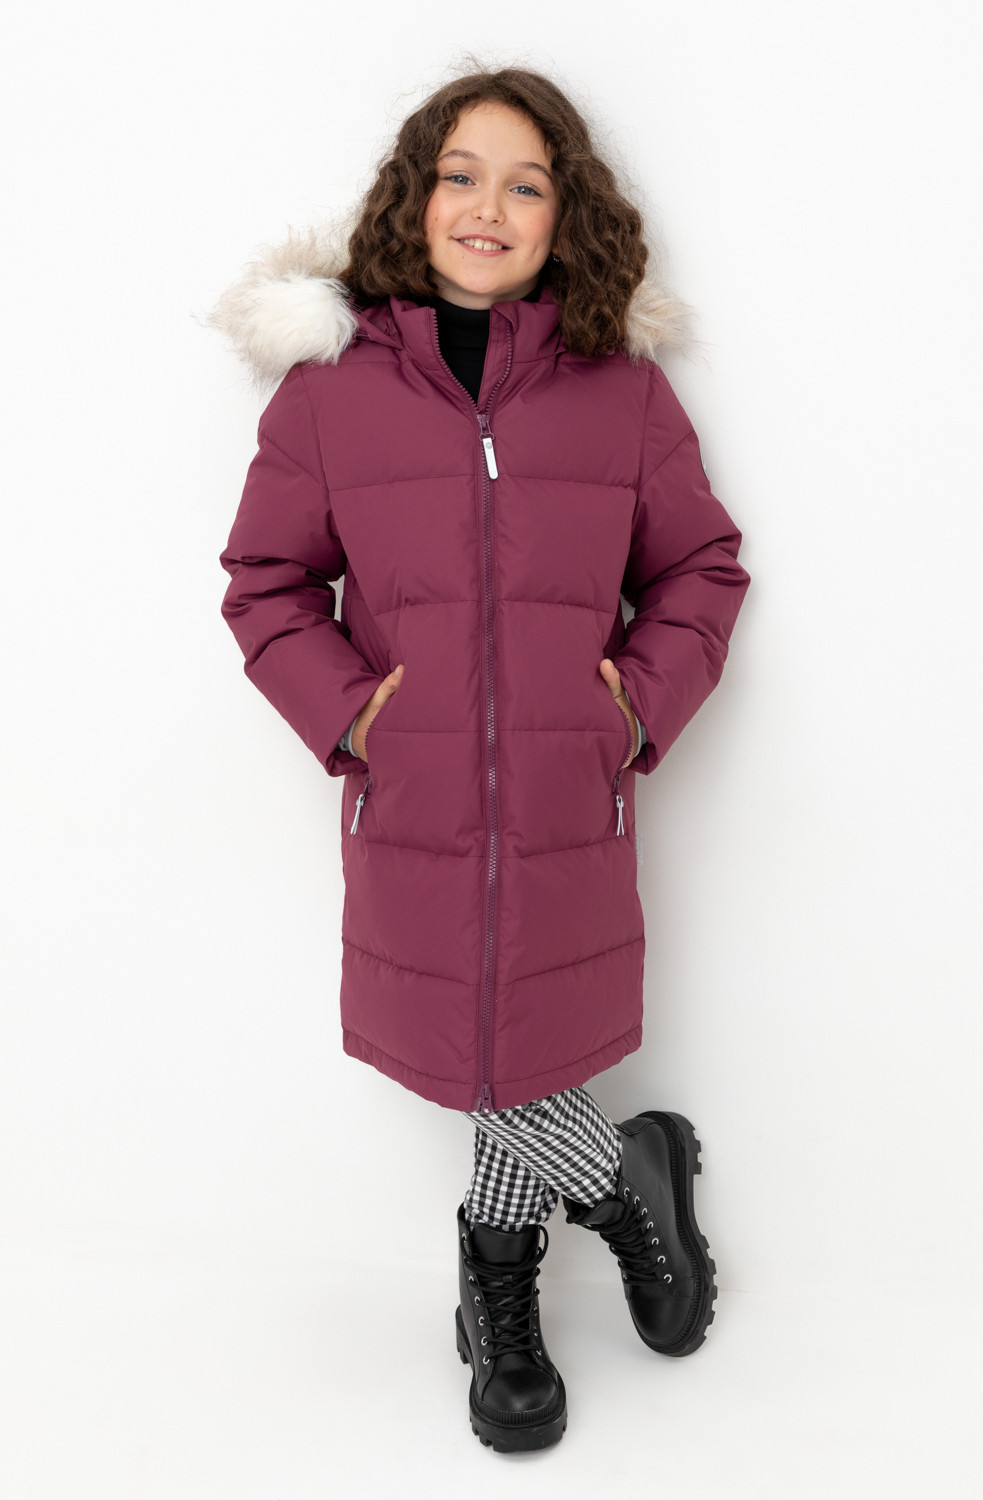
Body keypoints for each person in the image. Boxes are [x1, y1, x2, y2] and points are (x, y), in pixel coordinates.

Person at [206, 65, 750, 1453]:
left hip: (572, 799)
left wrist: (634, 708)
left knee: (517, 1037)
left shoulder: (621, 394)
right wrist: (353, 716)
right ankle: (623, 1184)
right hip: (414, 797)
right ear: (415, 195)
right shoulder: (331, 397)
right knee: (483, 1043)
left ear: (566, 215)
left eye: (525, 182)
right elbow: (266, 583)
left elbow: (700, 566)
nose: (488, 207)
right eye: (460, 175)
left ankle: (495, 1277)